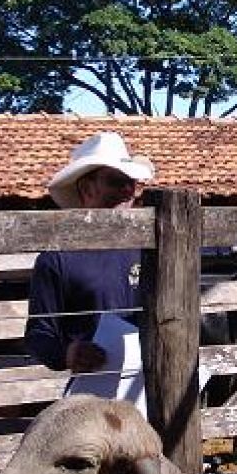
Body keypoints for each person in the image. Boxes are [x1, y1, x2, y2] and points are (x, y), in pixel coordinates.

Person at [24, 132, 154, 373]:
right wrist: (69, 353)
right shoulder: (57, 259)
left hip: (150, 383)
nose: (127, 190)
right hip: (92, 388)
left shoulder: (150, 249)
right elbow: (39, 335)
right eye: (116, 181)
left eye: (132, 183)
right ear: (87, 188)